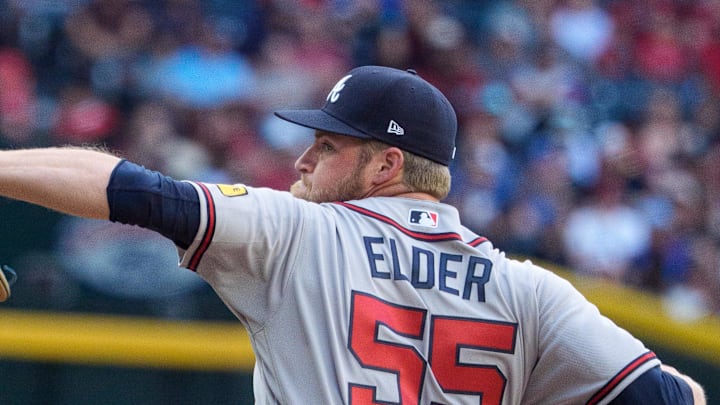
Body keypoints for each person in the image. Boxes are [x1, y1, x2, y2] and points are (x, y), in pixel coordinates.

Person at [0, 65, 706, 404]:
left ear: (387, 163)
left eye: (329, 144)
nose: (303, 158)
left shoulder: (301, 230)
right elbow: (675, 400)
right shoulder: (532, 292)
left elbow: (132, 190)